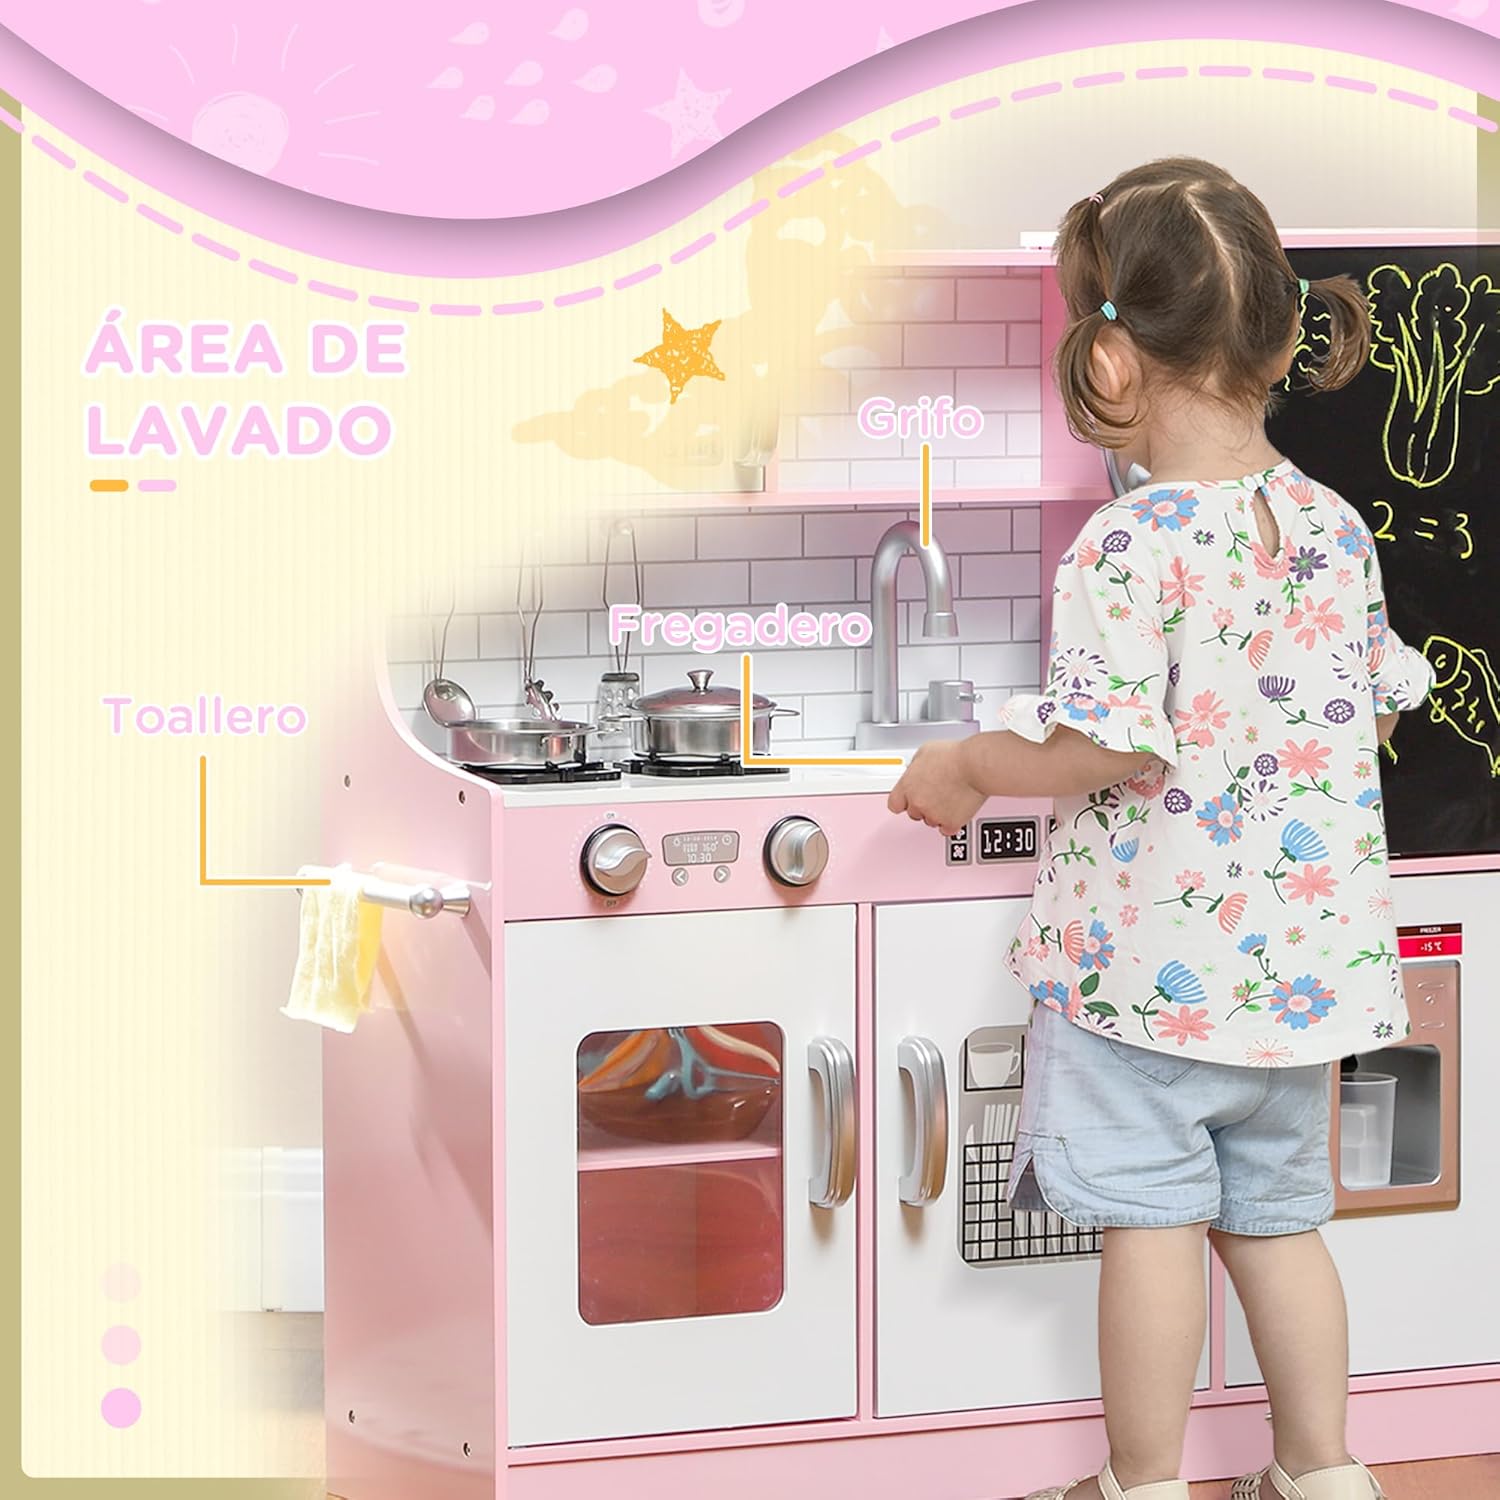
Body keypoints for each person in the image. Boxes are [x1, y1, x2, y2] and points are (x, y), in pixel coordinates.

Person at [887, 158, 1434, 1500]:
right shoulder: (1332, 526)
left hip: (1145, 988)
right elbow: (1367, 715)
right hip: (1300, 988)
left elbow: (1111, 742)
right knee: (1281, 1235)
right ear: (1281, 336)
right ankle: (1323, 1476)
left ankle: (1142, 1489)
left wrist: (966, 763)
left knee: (1150, 1234)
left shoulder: (1128, 547)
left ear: (1114, 362)